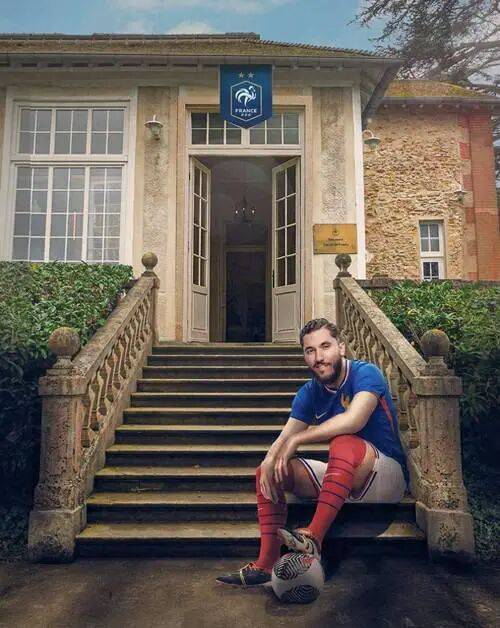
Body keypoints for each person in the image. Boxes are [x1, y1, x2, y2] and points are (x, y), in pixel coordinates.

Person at [216, 318, 409, 587]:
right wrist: (270, 460)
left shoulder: (366, 373)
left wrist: (299, 439)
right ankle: (266, 564)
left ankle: (314, 538)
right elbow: (285, 437)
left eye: (325, 346)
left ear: (341, 347)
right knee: (267, 471)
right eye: (310, 351)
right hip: (346, 476)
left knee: (344, 440)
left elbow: (354, 421)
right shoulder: (310, 392)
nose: (319, 357)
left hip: (386, 478)